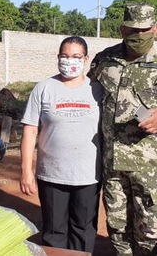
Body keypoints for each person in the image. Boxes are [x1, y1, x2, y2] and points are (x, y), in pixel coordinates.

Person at [88, 3, 157, 256]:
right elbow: (88, 94)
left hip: (151, 164)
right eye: (132, 29)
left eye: (145, 29)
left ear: (156, 29)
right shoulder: (105, 60)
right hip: (113, 162)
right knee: (118, 227)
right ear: (122, 29)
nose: (138, 35)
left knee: (152, 229)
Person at [20, 36, 103, 253]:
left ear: (86, 59)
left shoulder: (98, 91)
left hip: (88, 175)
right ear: (57, 58)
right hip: (52, 174)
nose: (70, 61)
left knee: (83, 229)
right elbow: (30, 130)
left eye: (76, 57)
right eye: (65, 56)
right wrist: (26, 170)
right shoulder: (44, 88)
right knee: (54, 231)